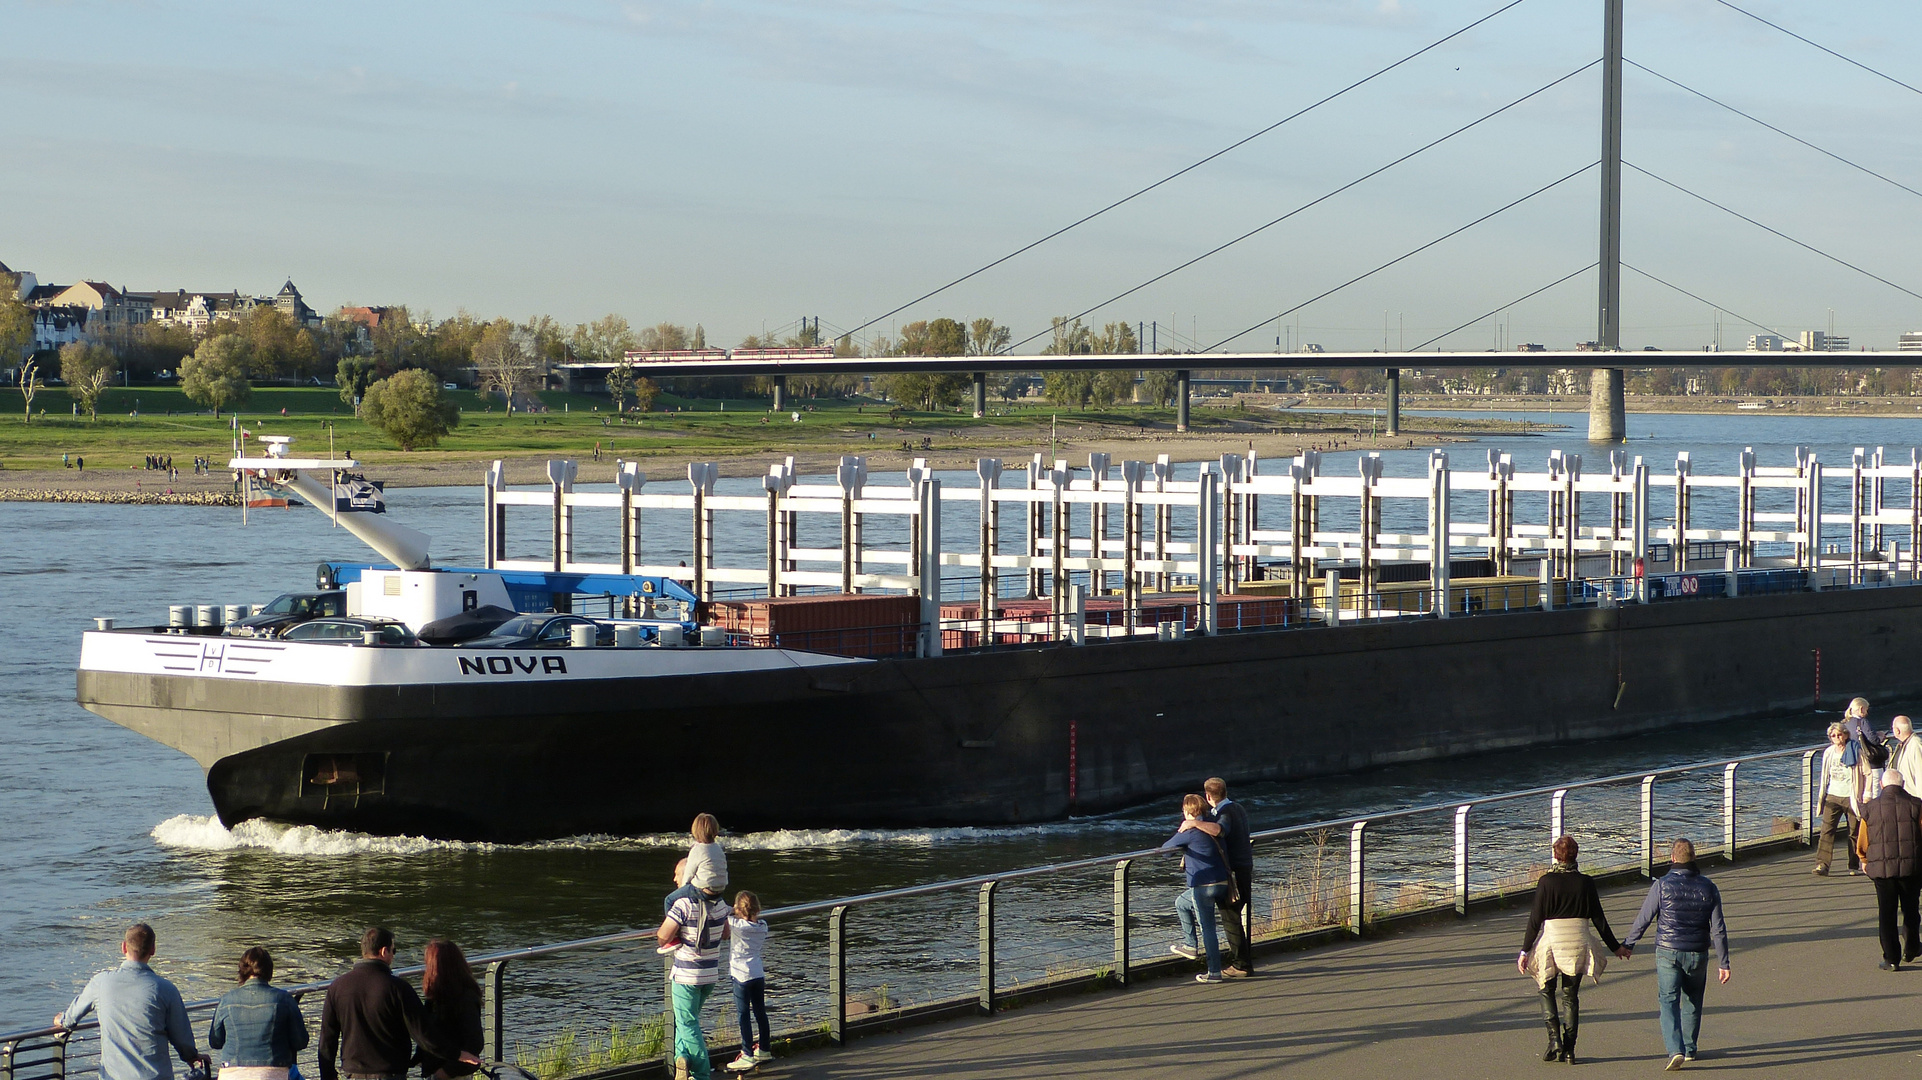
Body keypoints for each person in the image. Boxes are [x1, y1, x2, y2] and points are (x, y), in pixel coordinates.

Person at [1619, 839, 1732, 1070]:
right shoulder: (1708, 887)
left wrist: (1629, 944)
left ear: (1672, 859)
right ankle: (1690, 1048)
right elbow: (1718, 928)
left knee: (1668, 1000)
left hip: (1668, 951)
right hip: (1697, 952)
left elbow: (1644, 918)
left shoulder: (1661, 885)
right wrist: (1724, 962)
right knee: (1693, 999)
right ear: (1694, 858)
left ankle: (1675, 1050)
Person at [317, 928, 477, 1080]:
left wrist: (328, 1075)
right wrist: (457, 1054)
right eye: (393, 950)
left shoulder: (337, 987)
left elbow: (327, 1040)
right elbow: (424, 1034)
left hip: (352, 1073)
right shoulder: (398, 988)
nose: (393, 956)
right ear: (383, 951)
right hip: (390, 1073)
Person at [54, 923, 206, 1080]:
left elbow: (71, 1019)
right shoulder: (166, 989)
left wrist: (61, 1019)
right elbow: (181, 1036)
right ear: (153, 950)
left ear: (123, 947)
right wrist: (192, 1057)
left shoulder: (101, 983)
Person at [1518, 836, 1621, 1065]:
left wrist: (1525, 951)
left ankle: (1554, 1039)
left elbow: (1535, 920)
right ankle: (1570, 1049)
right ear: (1576, 855)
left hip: (1553, 941)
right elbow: (1599, 919)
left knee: (1546, 988)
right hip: (1578, 942)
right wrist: (1616, 947)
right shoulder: (1586, 882)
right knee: (1570, 997)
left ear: (1556, 855)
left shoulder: (1546, 882)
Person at [658, 878, 733, 1080]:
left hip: (686, 975)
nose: (674, 879)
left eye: (677, 874)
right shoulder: (720, 905)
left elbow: (663, 936)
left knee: (688, 1025)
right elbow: (726, 933)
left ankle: (701, 1074)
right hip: (709, 974)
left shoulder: (682, 905)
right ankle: (681, 1058)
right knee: (687, 1022)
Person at [1157, 793, 1233, 983]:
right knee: (1181, 903)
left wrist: (1181, 836)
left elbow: (1165, 851)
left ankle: (1214, 972)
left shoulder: (1189, 831)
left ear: (1186, 811)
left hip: (1203, 885)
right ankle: (1190, 945)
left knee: (1208, 928)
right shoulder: (1211, 825)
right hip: (1223, 882)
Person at [209, 947, 309, 1080]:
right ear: (269, 971)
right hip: (272, 1073)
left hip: (231, 1073)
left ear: (242, 970)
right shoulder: (284, 999)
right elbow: (300, 1042)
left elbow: (215, 1042)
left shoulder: (226, 1000)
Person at [1863, 769, 1922, 971]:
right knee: (1911, 909)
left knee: (1886, 913)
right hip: (1911, 867)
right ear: (1903, 784)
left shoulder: (1870, 808)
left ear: (1881, 784)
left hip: (1881, 868)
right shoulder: (1916, 805)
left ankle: (1891, 958)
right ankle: (1912, 946)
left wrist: (1864, 859)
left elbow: (1863, 840)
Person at [1203, 777, 1254, 977]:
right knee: (1234, 916)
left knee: (1230, 917)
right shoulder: (1238, 807)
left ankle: (1241, 965)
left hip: (1234, 872)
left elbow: (1219, 830)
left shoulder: (1224, 813)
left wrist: (1193, 824)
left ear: (1208, 796)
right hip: (1245, 867)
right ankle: (1243, 962)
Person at [419, 941, 483, 1079]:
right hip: (438, 1069)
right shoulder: (437, 997)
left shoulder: (464, 998)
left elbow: (474, 1043)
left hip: (451, 1072)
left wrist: (446, 1071)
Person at [723, 892, 772, 1073]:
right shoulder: (763, 926)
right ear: (757, 908)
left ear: (737, 909)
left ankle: (747, 1053)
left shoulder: (735, 924)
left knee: (743, 1014)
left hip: (740, 975)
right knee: (760, 1012)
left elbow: (723, 914)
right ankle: (765, 1049)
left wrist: (732, 910)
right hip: (757, 973)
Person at [1815, 722, 1866, 876]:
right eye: (1833, 736)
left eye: (1839, 735)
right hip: (1833, 795)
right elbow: (1825, 775)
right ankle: (1822, 865)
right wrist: (1822, 797)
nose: (1837, 738)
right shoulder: (1829, 752)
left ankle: (1853, 865)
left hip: (1851, 796)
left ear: (1845, 735)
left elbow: (1866, 772)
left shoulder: (1855, 750)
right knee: (1826, 830)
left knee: (1853, 832)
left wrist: (1865, 794)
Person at [667, 814, 728, 915]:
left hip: (704, 890)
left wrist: (682, 892)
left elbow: (688, 874)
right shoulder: (718, 848)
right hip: (720, 889)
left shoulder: (697, 849)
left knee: (669, 900)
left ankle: (673, 927)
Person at [1887, 716, 1922, 794]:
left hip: (1913, 797)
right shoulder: (1902, 745)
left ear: (1897, 730)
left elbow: (1920, 773)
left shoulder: (1916, 745)